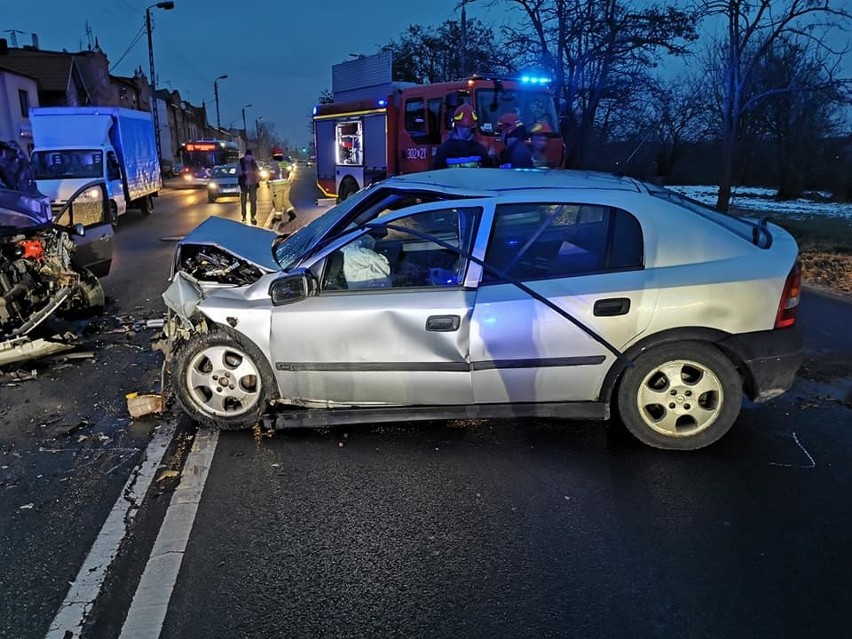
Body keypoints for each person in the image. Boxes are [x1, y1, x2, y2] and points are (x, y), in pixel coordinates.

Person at [432, 104, 490, 169]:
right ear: (456, 126)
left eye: (468, 127)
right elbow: (436, 173)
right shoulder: (445, 149)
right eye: (462, 127)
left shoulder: (480, 149)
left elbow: (488, 173)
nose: (465, 131)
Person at [237, 149, 260, 223]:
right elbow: (238, 172)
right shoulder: (241, 162)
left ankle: (252, 216)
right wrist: (244, 173)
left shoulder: (253, 162)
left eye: (250, 156)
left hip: (252, 185)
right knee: (243, 201)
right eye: (248, 156)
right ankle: (244, 216)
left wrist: (257, 179)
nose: (249, 158)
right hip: (244, 185)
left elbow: (258, 172)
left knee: (253, 201)